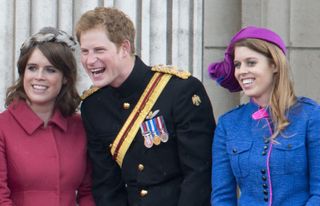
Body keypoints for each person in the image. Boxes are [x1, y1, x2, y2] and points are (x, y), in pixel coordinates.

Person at [75, 7, 215, 206]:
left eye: (99, 50)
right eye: (85, 51)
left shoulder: (179, 90)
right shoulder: (93, 106)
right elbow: (106, 185)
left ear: (124, 48)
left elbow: (199, 174)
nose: (89, 60)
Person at [208, 26, 320, 205]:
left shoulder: (311, 116)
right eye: (237, 65)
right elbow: (222, 197)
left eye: (251, 62)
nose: (241, 71)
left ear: (274, 64)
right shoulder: (228, 124)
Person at [0, 27, 95, 206]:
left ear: (65, 77)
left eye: (51, 70)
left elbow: (88, 192)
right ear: (23, 73)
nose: (39, 77)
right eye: (32, 68)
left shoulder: (80, 126)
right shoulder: (2, 127)